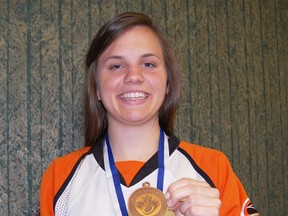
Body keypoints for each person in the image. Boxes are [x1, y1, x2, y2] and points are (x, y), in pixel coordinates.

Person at [39, 12, 259, 216]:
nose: (134, 76)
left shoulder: (214, 168)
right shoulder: (60, 177)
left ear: (167, 83)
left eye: (148, 64)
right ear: (96, 87)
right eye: (116, 66)